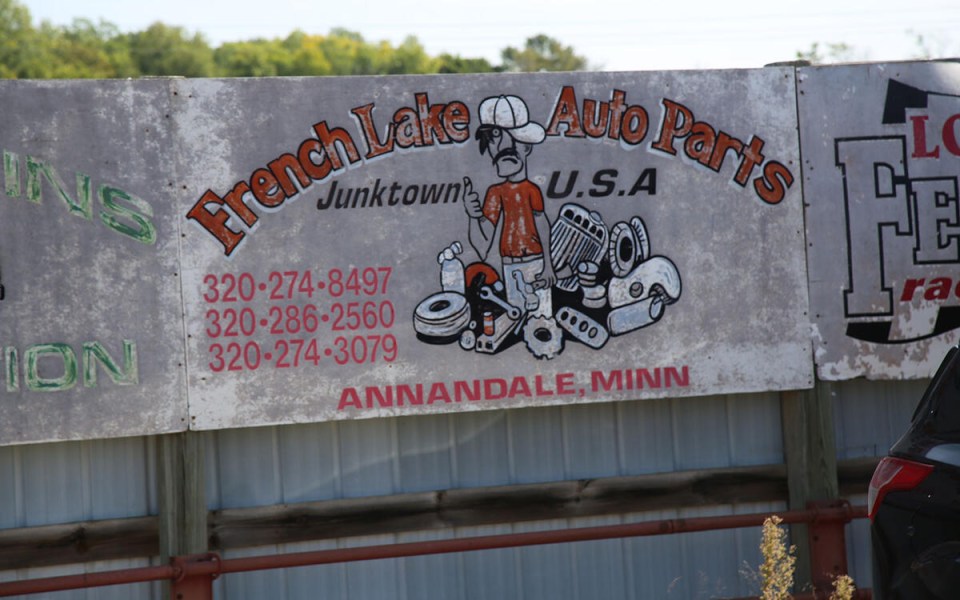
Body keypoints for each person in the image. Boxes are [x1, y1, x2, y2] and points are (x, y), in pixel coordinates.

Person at [463, 95, 556, 318]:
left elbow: (543, 225)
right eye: (495, 140)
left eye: (513, 140)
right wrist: (473, 215)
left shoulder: (532, 190)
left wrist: (549, 266)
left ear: (527, 147)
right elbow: (483, 244)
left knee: (543, 320)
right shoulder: (495, 193)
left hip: (536, 262)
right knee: (517, 319)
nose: (504, 148)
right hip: (510, 267)